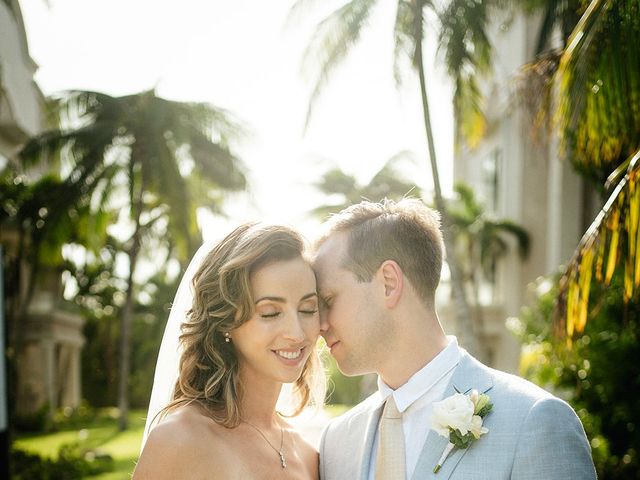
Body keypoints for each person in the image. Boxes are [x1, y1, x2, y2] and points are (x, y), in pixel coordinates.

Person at [313, 199, 596, 480]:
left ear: (389, 282)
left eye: (328, 300)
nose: (319, 325)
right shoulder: (336, 442)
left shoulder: (534, 421)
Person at [133, 223, 325, 479]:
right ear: (226, 322)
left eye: (308, 309)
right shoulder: (180, 440)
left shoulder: (309, 455)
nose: (297, 333)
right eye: (270, 313)